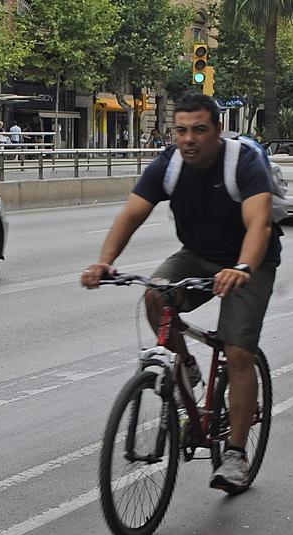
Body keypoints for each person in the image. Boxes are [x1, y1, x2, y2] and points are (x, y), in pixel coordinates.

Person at [81, 92, 278, 493]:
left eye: (199, 130)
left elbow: (259, 224)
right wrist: (104, 262)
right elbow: (131, 215)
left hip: (248, 262)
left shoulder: (243, 163)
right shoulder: (168, 166)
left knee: (238, 352)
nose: (189, 139)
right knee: (155, 295)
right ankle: (185, 362)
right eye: (181, 130)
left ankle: (236, 455)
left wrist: (242, 267)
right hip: (197, 254)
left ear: (217, 131)